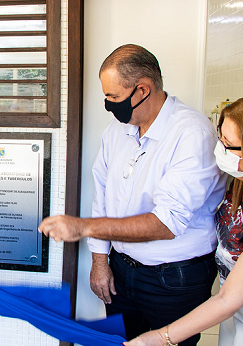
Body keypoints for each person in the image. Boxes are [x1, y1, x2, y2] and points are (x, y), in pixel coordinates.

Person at [38, 44, 227, 345]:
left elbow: (165, 224)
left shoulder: (193, 135)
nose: (108, 105)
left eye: (113, 96)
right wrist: (101, 260)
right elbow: (102, 194)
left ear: (142, 90)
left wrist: (84, 227)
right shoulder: (117, 130)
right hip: (121, 272)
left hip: (175, 281)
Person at [124, 98, 243, 346]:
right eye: (220, 139)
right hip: (233, 315)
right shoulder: (238, 182)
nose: (220, 150)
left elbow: (227, 300)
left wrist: (160, 337)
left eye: (230, 146)